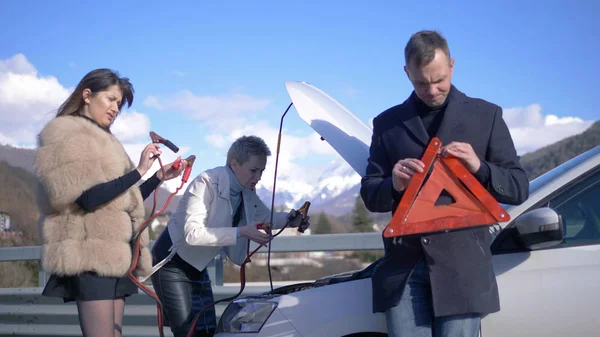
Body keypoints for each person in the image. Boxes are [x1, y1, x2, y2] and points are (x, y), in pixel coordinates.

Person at [360, 30, 530, 337]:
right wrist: (394, 183)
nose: (432, 89)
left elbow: (518, 187)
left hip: (464, 270)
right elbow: (372, 195)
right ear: (406, 73)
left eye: (439, 79)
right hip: (404, 272)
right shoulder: (386, 124)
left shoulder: (486, 115)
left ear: (452, 65)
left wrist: (479, 168)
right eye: (421, 82)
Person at [35, 68, 186, 337]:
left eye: (119, 103)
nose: (115, 108)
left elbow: (123, 200)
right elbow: (86, 198)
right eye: (111, 99)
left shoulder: (108, 141)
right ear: (87, 95)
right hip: (90, 256)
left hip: (118, 256)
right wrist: (138, 171)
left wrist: (157, 178)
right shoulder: (65, 133)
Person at [150, 135, 310, 337]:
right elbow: (192, 234)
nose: (258, 176)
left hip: (196, 267)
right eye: (254, 170)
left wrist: (291, 219)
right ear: (234, 164)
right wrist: (242, 232)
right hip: (170, 265)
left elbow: (264, 216)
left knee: (206, 330)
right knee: (187, 331)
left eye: (262, 171)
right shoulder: (206, 182)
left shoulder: (246, 191)